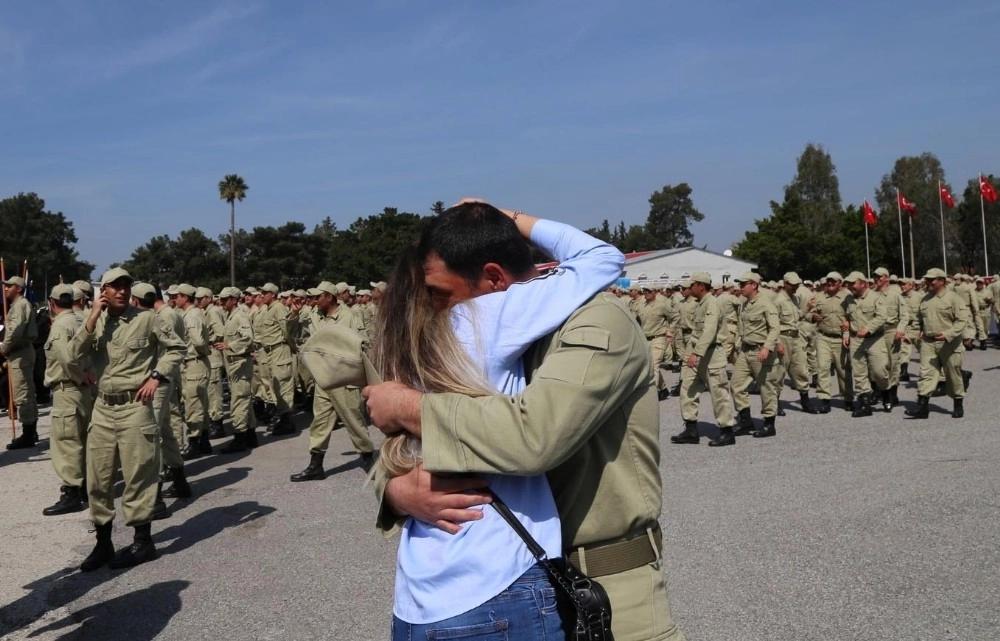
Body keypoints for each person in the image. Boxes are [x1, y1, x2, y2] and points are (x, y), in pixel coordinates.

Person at [365, 205, 683, 641]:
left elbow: (533, 437)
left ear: (494, 276)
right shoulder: (475, 330)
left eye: (440, 293)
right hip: (518, 582)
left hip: (605, 585)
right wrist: (397, 491)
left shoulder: (594, 319)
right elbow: (412, 444)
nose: (436, 308)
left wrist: (406, 406)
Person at [72, 268, 185, 571]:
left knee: (139, 474)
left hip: (135, 406)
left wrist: (157, 376)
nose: (122, 291)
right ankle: (103, 543)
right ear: (103, 291)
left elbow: (176, 349)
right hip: (103, 408)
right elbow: (72, 356)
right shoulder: (94, 323)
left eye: (126, 286)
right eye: (115, 286)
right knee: (98, 477)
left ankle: (142, 542)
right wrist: (93, 316)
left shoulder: (147, 318)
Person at [290, 280, 374, 480]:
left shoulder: (349, 315)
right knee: (320, 421)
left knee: (354, 421)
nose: (314, 300)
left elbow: (364, 343)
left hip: (344, 378)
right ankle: (315, 465)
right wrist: (293, 315)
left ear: (329, 296)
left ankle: (369, 459)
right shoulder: (314, 316)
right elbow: (295, 334)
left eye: (318, 297)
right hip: (323, 378)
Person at [40, 284, 93, 515]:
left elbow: (67, 359)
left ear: (51, 303)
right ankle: (83, 488)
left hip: (68, 388)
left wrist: (79, 377)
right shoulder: (80, 320)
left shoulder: (61, 325)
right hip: (82, 390)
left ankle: (71, 492)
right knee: (82, 439)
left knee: (67, 442)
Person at [671, 271, 736, 447]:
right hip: (696, 352)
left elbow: (709, 331)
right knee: (687, 389)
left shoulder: (712, 304)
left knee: (718, 393)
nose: (689, 288)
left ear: (701, 285)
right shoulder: (700, 303)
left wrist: (696, 353)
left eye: (692, 285)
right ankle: (691, 429)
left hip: (711, 354)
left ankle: (727, 431)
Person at [906, 268, 970, 419]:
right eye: (927, 280)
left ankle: (958, 404)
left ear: (942, 281)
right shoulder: (924, 299)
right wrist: (910, 335)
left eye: (931, 280)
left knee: (953, 374)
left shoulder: (954, 298)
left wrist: (948, 334)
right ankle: (922, 407)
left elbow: (962, 320)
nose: (928, 282)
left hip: (949, 343)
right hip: (928, 343)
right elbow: (917, 322)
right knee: (926, 374)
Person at [730, 272, 781, 439]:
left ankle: (769, 424)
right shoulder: (744, 304)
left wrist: (767, 347)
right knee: (736, 385)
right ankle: (746, 422)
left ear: (754, 285)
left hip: (761, 352)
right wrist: (738, 344)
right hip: (745, 351)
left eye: (744, 284)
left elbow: (774, 328)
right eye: (740, 284)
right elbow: (741, 326)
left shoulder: (766, 304)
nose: (741, 287)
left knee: (766, 388)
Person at [215, 287, 258, 453]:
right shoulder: (230, 317)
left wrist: (230, 345)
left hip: (240, 363)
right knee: (244, 399)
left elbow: (248, 338)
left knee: (239, 401)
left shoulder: (240, 316)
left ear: (234, 300)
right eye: (221, 299)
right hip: (234, 364)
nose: (221, 302)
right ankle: (251, 435)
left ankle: (240, 437)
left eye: (225, 300)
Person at [174, 284, 213, 458]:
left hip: (195, 362)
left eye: (177, 296)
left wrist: (204, 352)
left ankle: (195, 442)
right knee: (200, 403)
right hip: (194, 362)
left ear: (184, 297)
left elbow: (197, 341)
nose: (175, 299)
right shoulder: (190, 314)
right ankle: (204, 441)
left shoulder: (192, 316)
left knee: (193, 405)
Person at [842, 272, 890, 416]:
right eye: (849, 284)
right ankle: (864, 404)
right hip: (856, 340)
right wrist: (846, 334)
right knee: (859, 373)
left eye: (853, 283)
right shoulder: (849, 299)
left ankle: (886, 393)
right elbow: (846, 319)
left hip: (875, 339)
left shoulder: (876, 297)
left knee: (879, 371)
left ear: (863, 283)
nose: (850, 287)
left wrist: (868, 329)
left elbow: (882, 316)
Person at [2, 275, 39, 449]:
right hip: (21, 350)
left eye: (10, 286)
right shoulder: (19, 305)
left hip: (19, 351)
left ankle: (27, 434)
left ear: (18, 288)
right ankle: (31, 429)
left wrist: (3, 348)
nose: (6, 289)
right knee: (27, 392)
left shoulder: (20, 305)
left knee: (22, 393)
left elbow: (15, 332)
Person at [810, 272, 853, 413]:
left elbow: (854, 315)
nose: (830, 284)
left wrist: (848, 323)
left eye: (833, 282)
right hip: (823, 337)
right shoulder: (819, 296)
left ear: (840, 283)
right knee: (823, 368)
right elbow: (807, 313)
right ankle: (825, 399)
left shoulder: (848, 296)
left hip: (840, 338)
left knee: (843, 370)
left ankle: (848, 398)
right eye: (828, 281)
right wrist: (812, 316)